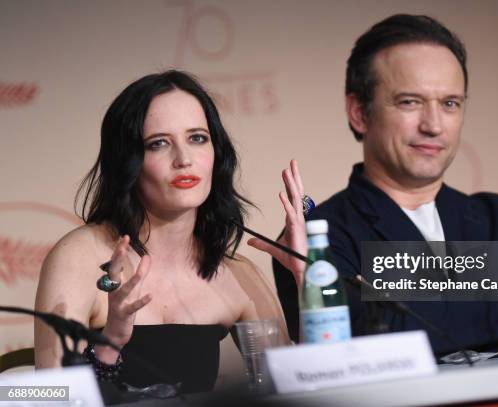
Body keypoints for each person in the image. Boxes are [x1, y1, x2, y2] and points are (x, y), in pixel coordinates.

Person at [273, 14, 498, 357]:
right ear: (359, 112)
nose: (434, 125)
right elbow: (360, 353)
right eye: (410, 101)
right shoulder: (318, 240)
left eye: (450, 103)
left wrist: (406, 317)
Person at [34, 70, 307, 393]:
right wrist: (110, 343)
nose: (184, 159)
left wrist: (308, 278)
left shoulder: (236, 274)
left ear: (216, 155)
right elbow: (48, 397)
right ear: (127, 161)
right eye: (159, 143)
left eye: (197, 138)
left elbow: (293, 389)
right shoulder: (79, 257)